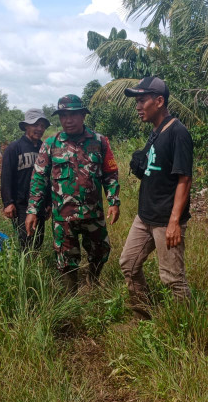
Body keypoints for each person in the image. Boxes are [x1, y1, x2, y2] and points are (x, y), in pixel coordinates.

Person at [26, 95, 120, 291]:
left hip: (93, 213)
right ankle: (72, 294)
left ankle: (92, 280)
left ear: (83, 115)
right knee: (65, 258)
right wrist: (33, 210)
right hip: (63, 215)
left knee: (101, 251)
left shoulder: (99, 142)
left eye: (73, 115)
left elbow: (110, 173)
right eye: (63, 116)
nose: (67, 120)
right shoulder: (51, 144)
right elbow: (39, 178)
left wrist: (113, 201)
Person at [119, 76, 193, 318]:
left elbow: (184, 179)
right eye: (136, 102)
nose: (138, 107)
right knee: (128, 265)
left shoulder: (178, 133)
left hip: (165, 219)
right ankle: (145, 314)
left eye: (142, 101)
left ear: (159, 101)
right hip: (145, 217)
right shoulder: (156, 131)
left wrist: (174, 222)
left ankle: (185, 330)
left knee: (172, 278)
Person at [0, 109, 51, 251]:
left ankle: (34, 266)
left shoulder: (44, 148)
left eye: (42, 126)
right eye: (36, 125)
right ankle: (26, 269)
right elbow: (6, 177)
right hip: (21, 203)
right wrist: (8, 202)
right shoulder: (14, 148)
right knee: (26, 240)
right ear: (26, 126)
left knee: (38, 239)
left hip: (40, 202)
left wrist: (48, 202)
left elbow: (48, 177)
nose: (39, 129)